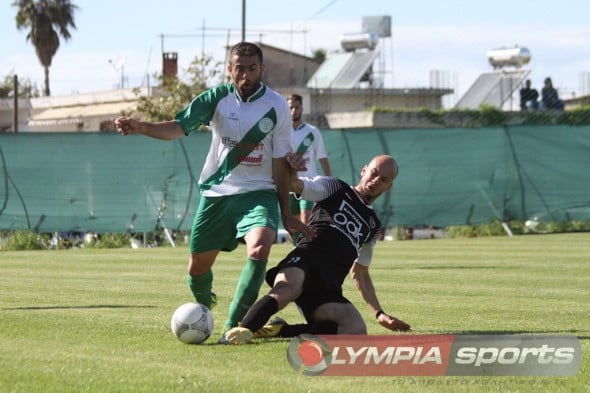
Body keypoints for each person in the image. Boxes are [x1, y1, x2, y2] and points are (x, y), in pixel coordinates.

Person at [114, 42, 311, 341]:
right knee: (197, 269)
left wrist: (285, 212)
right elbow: (178, 127)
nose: (246, 74)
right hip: (217, 194)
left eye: (252, 68)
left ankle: (235, 325)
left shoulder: (276, 105)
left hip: (259, 192)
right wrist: (142, 127)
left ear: (262, 70)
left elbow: (279, 162)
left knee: (260, 247)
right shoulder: (216, 98)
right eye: (239, 68)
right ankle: (204, 307)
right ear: (230, 69)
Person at [221, 154, 411, 344]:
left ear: (389, 186)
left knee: (355, 329)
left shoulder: (373, 226)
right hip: (305, 261)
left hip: (328, 283)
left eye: (384, 179)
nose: (376, 180)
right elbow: (296, 185)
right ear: (364, 170)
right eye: (374, 173)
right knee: (287, 288)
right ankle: (242, 331)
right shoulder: (336, 187)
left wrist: (379, 313)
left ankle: (282, 329)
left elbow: (360, 272)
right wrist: (292, 170)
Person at [287, 94, 332, 224]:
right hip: (289, 184)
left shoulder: (312, 132)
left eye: (296, 107)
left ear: (302, 108)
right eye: (290, 107)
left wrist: (329, 181)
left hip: (309, 182)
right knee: (294, 223)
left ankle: (309, 244)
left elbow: (322, 157)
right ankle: (299, 244)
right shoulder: (281, 131)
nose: (293, 110)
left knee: (306, 218)